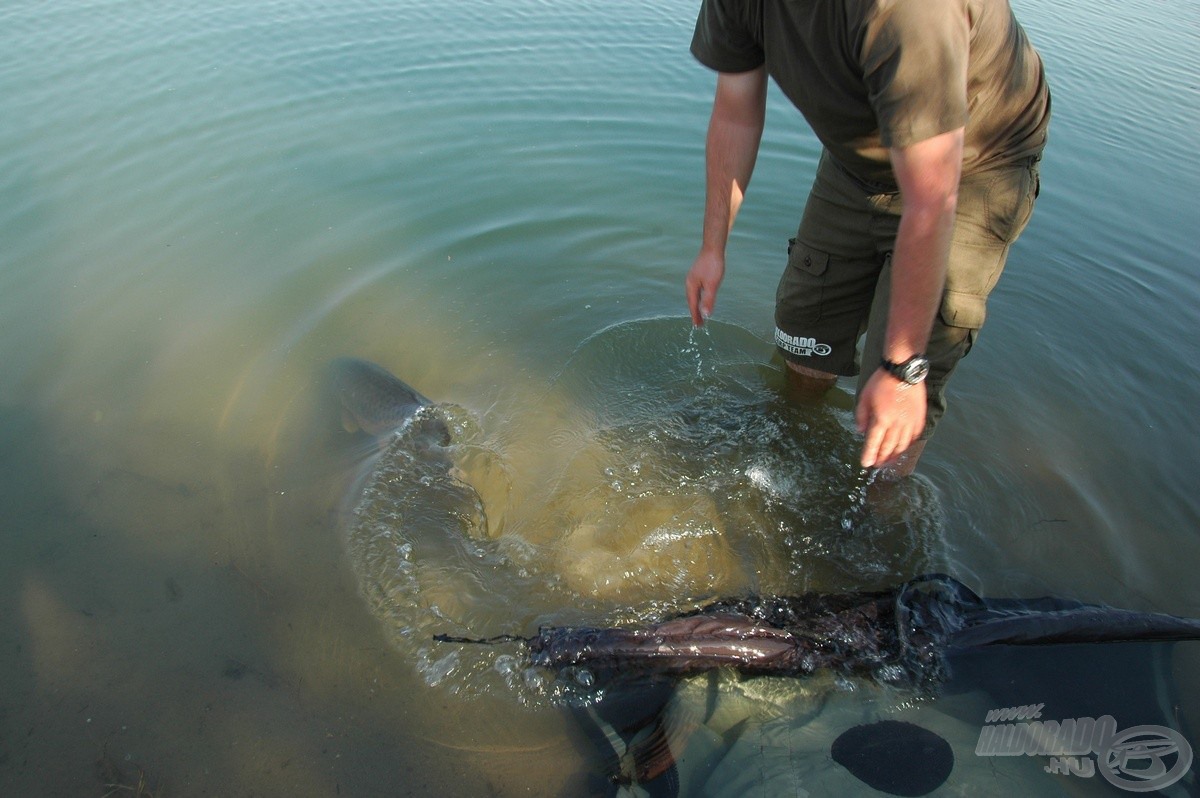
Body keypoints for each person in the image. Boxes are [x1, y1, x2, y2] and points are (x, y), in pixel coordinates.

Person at [685, 0, 1050, 477]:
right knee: (804, 335)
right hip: (857, 162)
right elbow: (736, 113)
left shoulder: (906, 11)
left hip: (972, 168)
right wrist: (713, 248)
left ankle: (880, 522)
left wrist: (904, 369)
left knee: (895, 401)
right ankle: (795, 448)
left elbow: (932, 197)